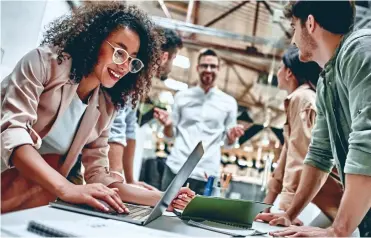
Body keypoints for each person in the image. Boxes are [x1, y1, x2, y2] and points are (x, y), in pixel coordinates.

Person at [1, 2, 193, 214]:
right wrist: (67, 189)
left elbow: (99, 176)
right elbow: (13, 134)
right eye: (119, 52)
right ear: (94, 41)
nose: (124, 66)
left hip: (26, 196)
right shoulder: (43, 63)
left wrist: (165, 198)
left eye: (132, 60)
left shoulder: (105, 105)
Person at [256, 1, 371, 237]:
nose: (293, 40)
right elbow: (319, 153)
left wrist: (337, 231)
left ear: (310, 23)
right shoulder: (328, 81)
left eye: (293, 28)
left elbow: (368, 141)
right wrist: (289, 213)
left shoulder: (360, 50)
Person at [256, 46, 343, 226]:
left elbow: (300, 157)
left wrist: (288, 211)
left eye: (280, 67)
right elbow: (285, 158)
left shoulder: (302, 99)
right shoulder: (300, 98)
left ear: (289, 72)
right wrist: (265, 205)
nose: (278, 71)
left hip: (326, 200)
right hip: (323, 200)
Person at [154, 48, 245, 195]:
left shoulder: (229, 103)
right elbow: (169, 135)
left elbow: (228, 144)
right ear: (197, 68)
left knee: (202, 216)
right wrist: (168, 125)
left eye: (213, 66)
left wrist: (232, 137)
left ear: (219, 69)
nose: (208, 69)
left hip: (207, 173)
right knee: (165, 213)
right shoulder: (182, 97)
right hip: (177, 168)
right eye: (204, 65)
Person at [108, 28, 183, 190]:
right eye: (174, 58)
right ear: (165, 57)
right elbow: (116, 128)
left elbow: (129, 129)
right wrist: (117, 182)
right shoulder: (129, 77)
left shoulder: (139, 83)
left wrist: (130, 180)